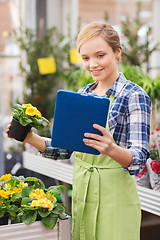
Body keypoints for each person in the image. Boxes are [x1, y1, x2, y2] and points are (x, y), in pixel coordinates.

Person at [6, 22, 152, 240]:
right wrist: (31, 138)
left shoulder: (134, 95)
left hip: (116, 198)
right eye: (85, 58)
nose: (92, 64)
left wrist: (110, 149)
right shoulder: (83, 94)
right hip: (83, 192)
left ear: (117, 53)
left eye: (100, 55)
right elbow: (65, 149)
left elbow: (139, 159)